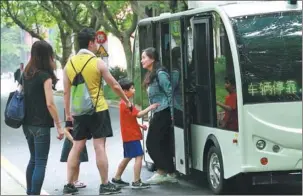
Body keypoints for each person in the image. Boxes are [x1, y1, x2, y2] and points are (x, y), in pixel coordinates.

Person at [62, 27, 132, 195]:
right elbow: (115, 85)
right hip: (98, 109)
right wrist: (127, 100)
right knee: (99, 146)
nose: (96, 45)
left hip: (78, 111)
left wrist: (68, 114)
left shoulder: (68, 64)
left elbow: (66, 92)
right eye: (94, 41)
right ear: (91, 42)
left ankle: (69, 185)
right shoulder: (97, 62)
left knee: (77, 146)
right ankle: (105, 184)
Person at [21, 40, 64, 195]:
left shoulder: (25, 74)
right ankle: (34, 193)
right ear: (47, 56)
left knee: (33, 159)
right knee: (40, 162)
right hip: (41, 126)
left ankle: (30, 192)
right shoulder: (45, 76)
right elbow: (50, 104)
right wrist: (59, 125)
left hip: (26, 124)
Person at [112, 78, 159, 189]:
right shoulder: (127, 104)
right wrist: (150, 107)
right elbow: (139, 114)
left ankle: (117, 177)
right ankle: (136, 181)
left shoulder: (123, 103)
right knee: (139, 156)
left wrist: (140, 126)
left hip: (127, 135)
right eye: (132, 88)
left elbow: (128, 120)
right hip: (131, 135)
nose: (134, 90)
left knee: (128, 156)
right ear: (124, 91)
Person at [141, 47, 178, 184]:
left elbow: (170, 93)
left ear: (152, 59)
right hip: (158, 112)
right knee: (162, 143)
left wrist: (173, 114)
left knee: (151, 142)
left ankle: (162, 171)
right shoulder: (152, 74)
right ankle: (169, 172)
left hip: (164, 111)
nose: (142, 60)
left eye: (144, 57)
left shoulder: (160, 74)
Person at [60, 121, 88, 189]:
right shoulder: (70, 116)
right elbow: (65, 130)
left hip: (79, 140)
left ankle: (75, 180)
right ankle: (70, 181)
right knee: (73, 162)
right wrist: (73, 141)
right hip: (72, 141)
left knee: (78, 162)